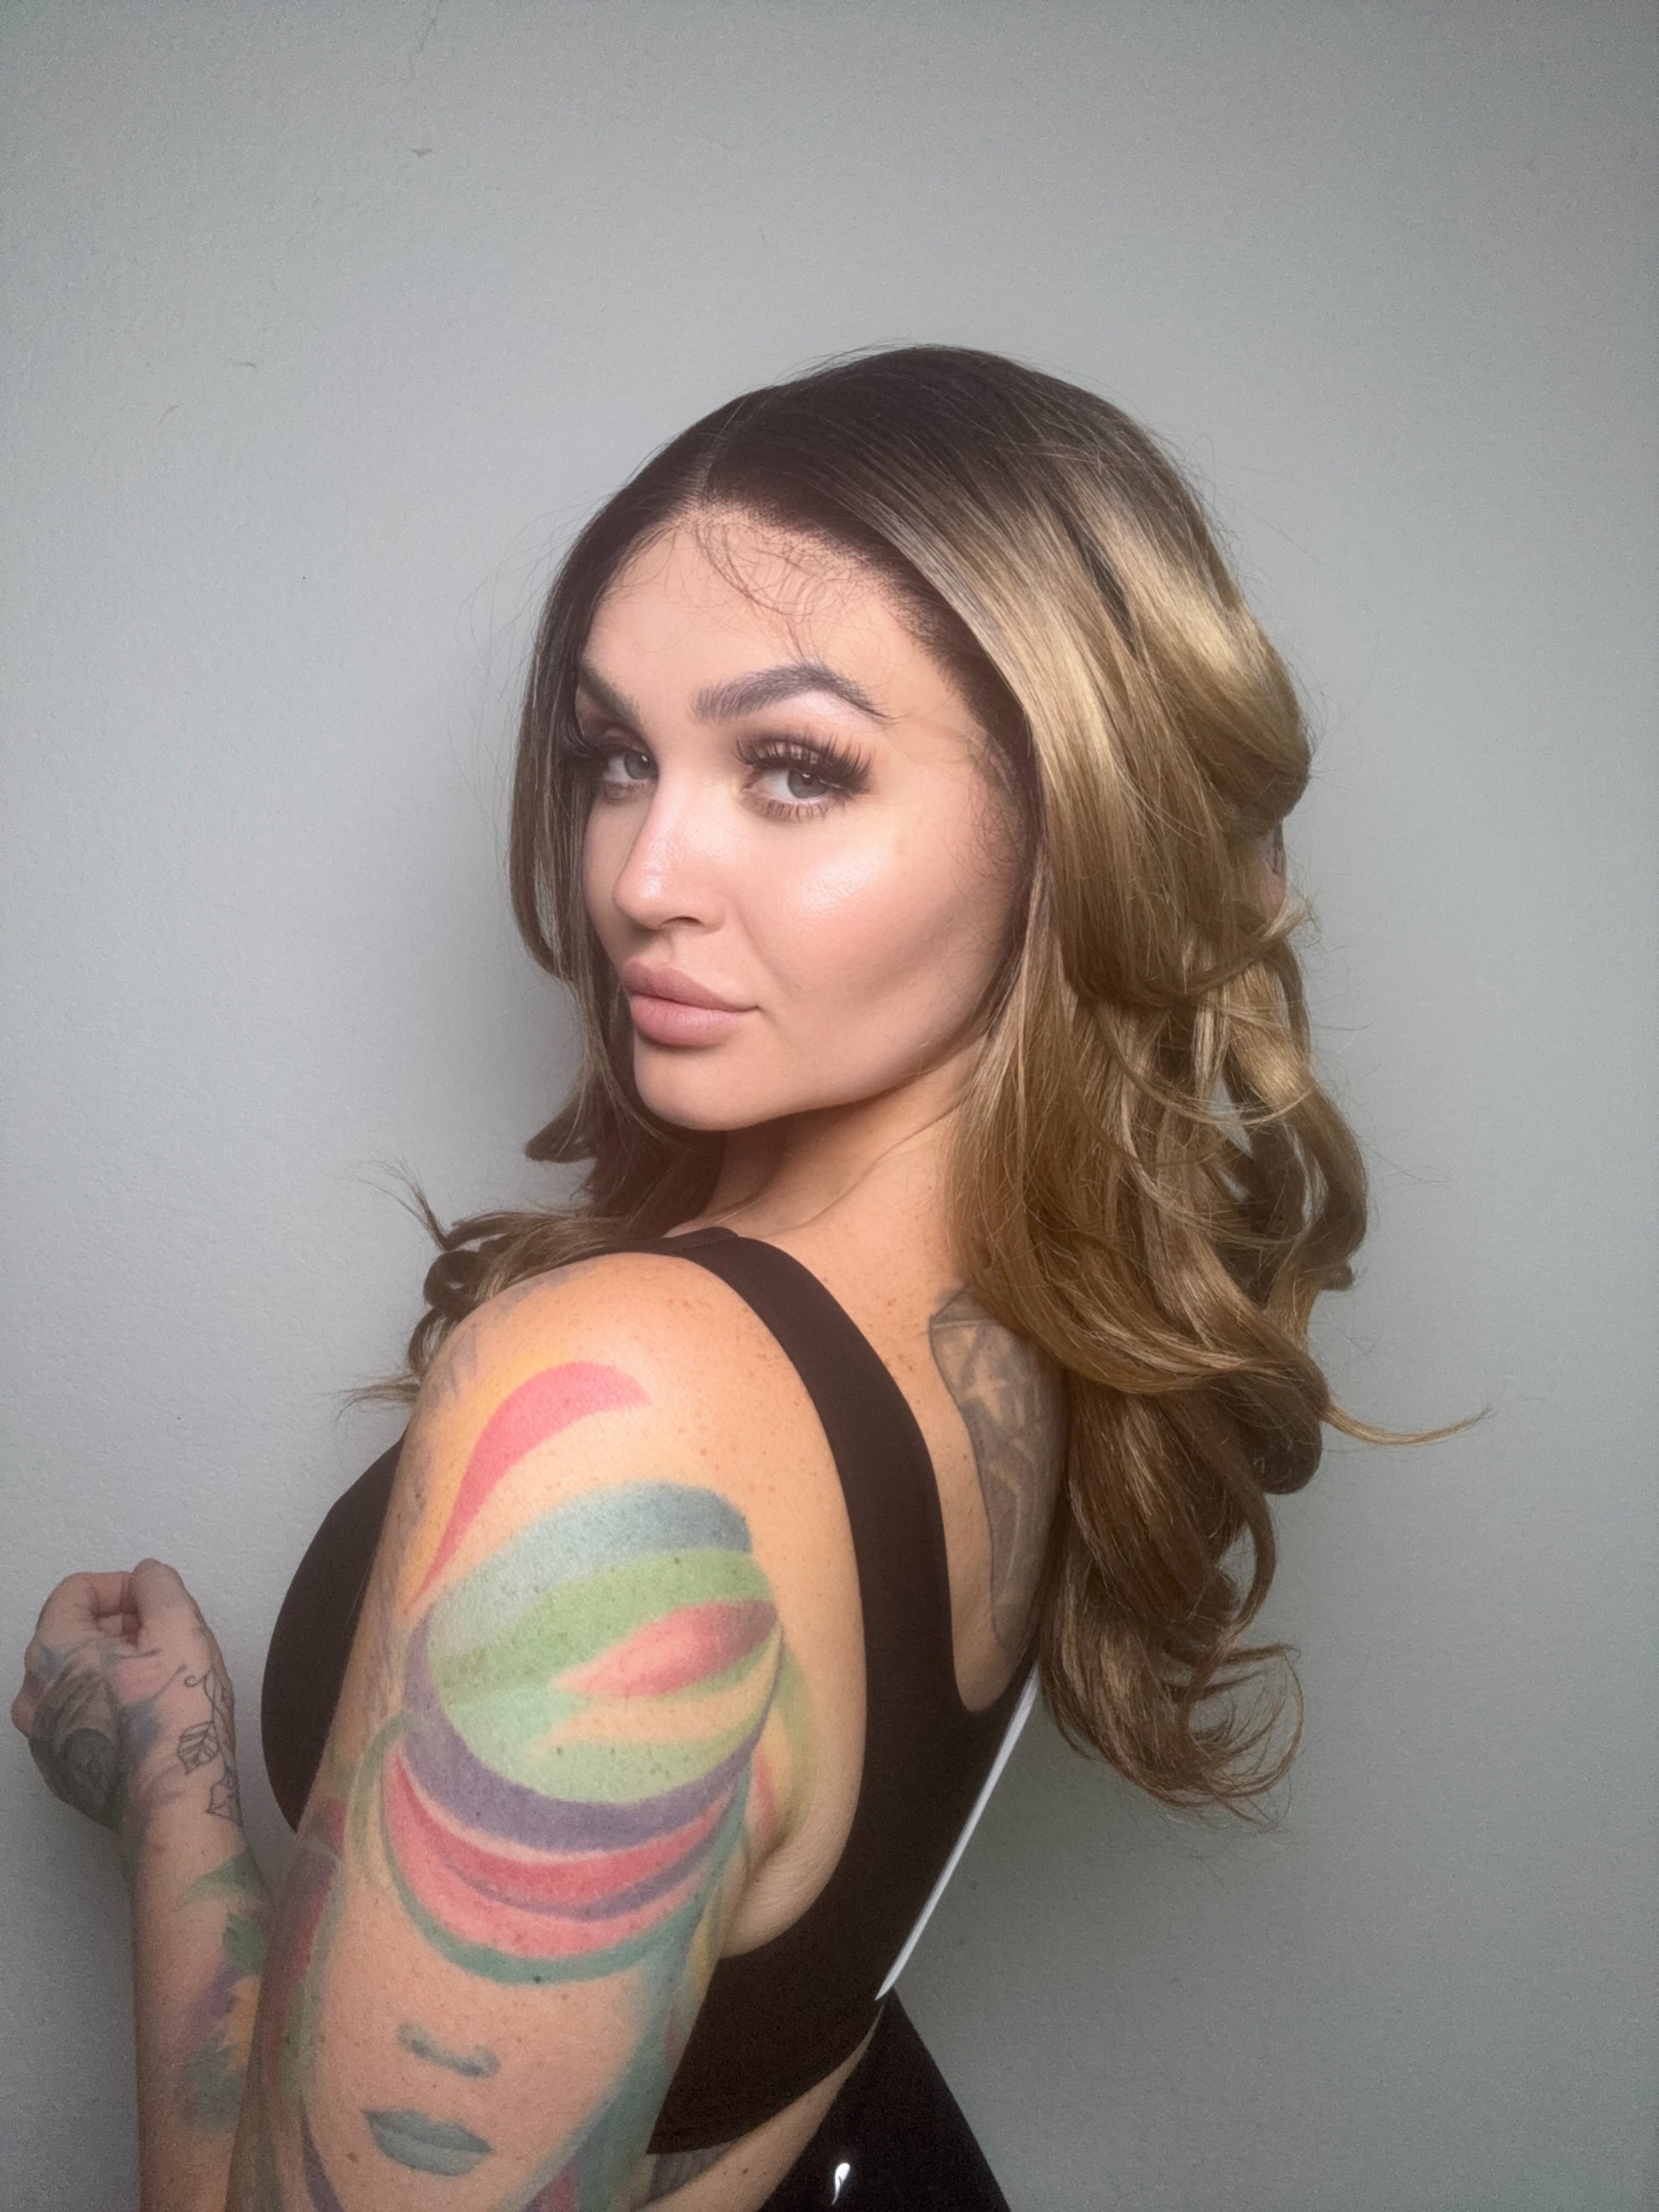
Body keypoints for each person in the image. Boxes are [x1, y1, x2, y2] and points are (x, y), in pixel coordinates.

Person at [13, 344, 1451, 2211]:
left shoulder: (627, 1418)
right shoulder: (1049, 1321)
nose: (639, 875)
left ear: (1075, 826)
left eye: (794, 768)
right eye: (616, 756)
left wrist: (170, 1791)